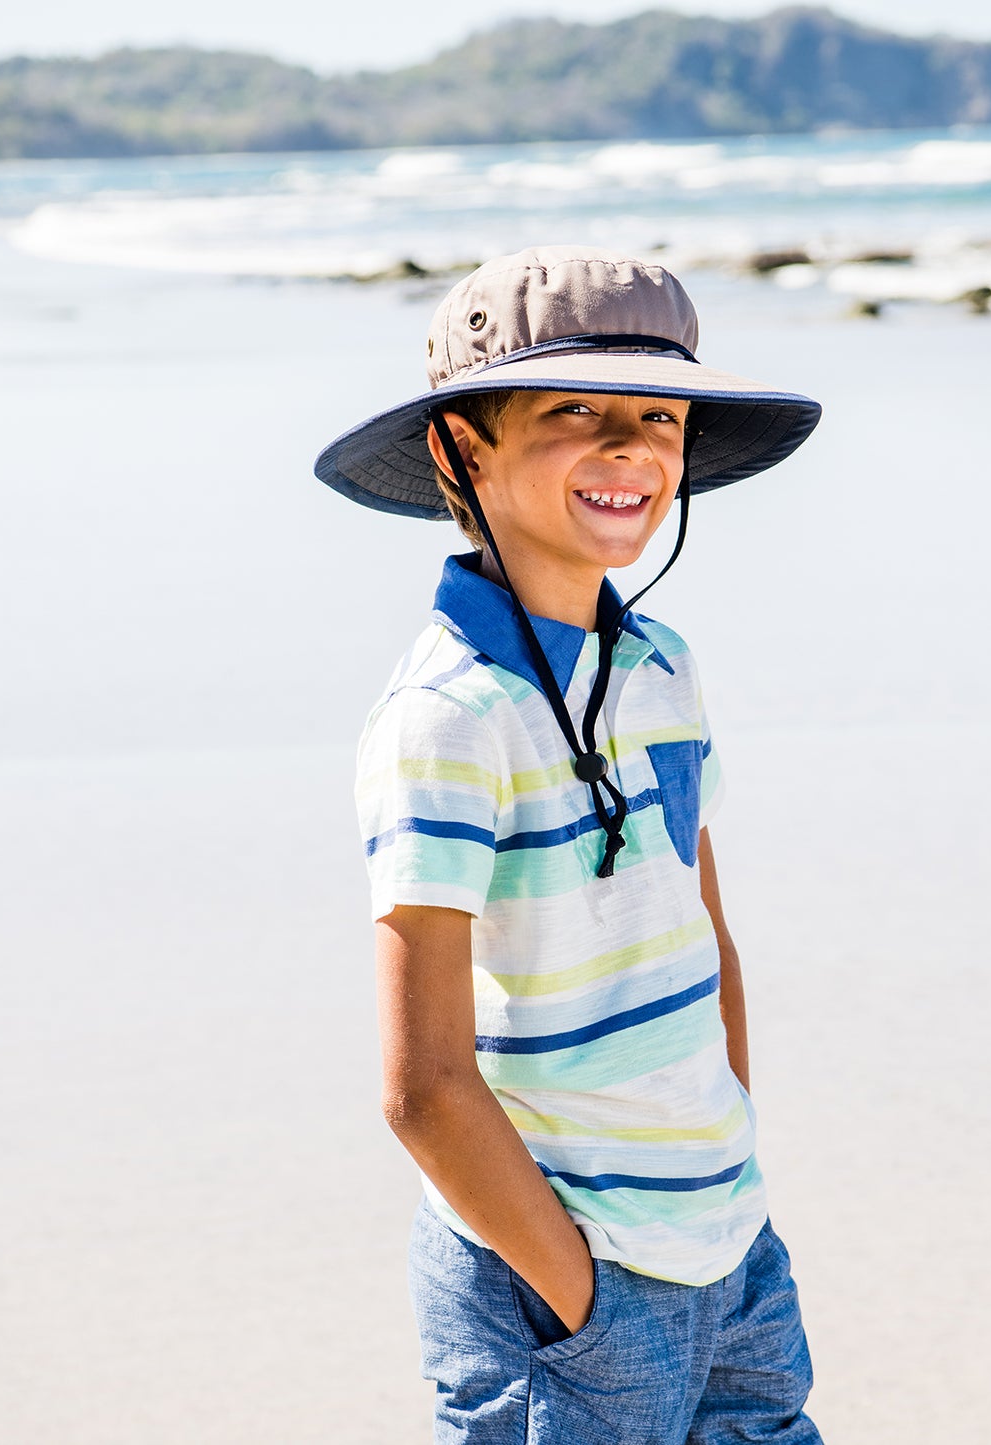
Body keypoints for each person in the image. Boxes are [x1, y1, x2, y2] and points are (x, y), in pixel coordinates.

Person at [314, 246, 823, 1442]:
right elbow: (423, 1085)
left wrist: (728, 1182)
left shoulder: (661, 665)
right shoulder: (447, 716)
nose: (630, 448)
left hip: (729, 1249)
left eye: (659, 415)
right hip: (563, 1288)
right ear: (461, 447)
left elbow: (703, 938)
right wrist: (584, 1295)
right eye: (575, 412)